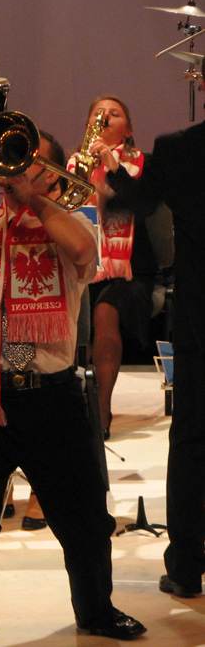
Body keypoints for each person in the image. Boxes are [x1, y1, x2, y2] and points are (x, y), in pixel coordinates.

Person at [0, 131, 146, 644]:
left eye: (29, 161)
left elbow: (84, 252)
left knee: (84, 521)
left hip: (49, 395)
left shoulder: (70, 222)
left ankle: (96, 611)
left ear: (52, 174)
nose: (15, 170)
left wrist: (34, 202)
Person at [106, 116, 205, 599]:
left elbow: (139, 203)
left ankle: (185, 568)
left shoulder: (178, 147)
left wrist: (113, 175)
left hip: (199, 318)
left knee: (191, 440)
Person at [67, 96, 151, 440]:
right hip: (83, 262)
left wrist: (112, 166)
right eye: (97, 113)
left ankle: (101, 410)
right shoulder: (74, 164)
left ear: (128, 129)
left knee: (104, 312)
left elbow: (138, 205)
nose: (104, 117)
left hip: (129, 270)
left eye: (113, 113)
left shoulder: (142, 164)